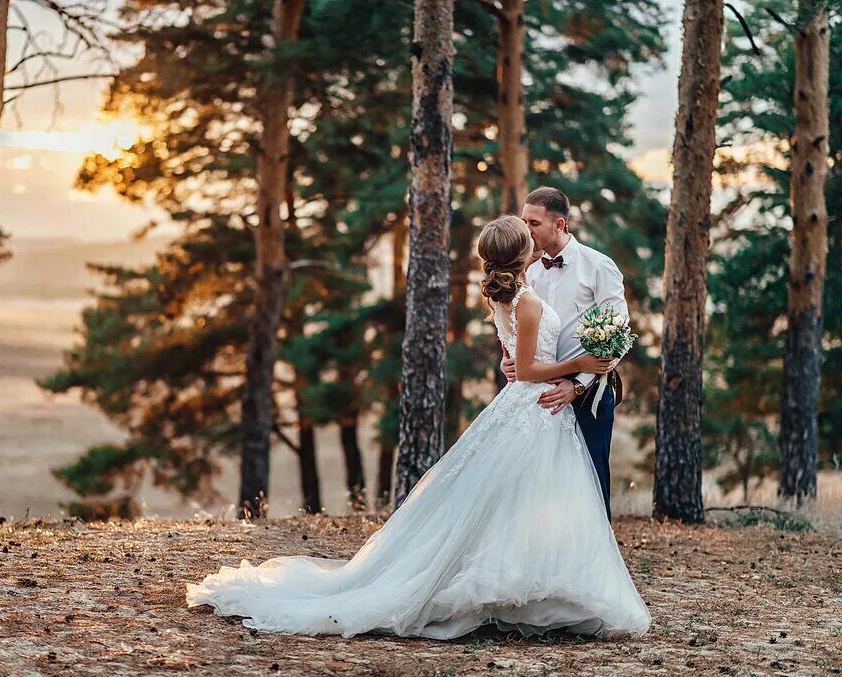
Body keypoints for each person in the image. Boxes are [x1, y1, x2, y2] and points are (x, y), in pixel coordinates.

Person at [186, 215, 650, 640]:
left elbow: (513, 360)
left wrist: (536, 365)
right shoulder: (526, 302)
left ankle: (537, 592)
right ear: (524, 252)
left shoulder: (506, 296)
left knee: (516, 500)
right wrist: (581, 364)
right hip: (533, 406)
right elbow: (527, 369)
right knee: (520, 497)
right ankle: (517, 594)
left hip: (529, 408)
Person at [502, 186, 629, 521]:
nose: (526, 230)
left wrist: (578, 385)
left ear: (559, 225)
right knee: (542, 481)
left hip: (591, 389)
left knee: (590, 477)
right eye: (523, 221)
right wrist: (509, 356)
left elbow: (618, 337)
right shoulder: (528, 272)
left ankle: (596, 564)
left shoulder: (599, 267)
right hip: (538, 391)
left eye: (534, 223)